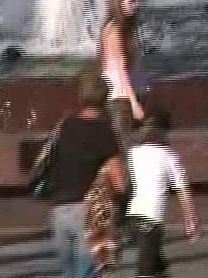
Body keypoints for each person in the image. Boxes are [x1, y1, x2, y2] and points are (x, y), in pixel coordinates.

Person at [47, 69, 127, 278]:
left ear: (80, 96)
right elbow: (120, 183)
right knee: (87, 272)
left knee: (69, 273)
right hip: (90, 212)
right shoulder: (104, 131)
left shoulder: (63, 126)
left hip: (59, 210)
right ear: (105, 99)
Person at [127, 111, 199, 278]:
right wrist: (191, 219)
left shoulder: (133, 153)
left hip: (132, 217)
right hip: (151, 218)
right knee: (146, 270)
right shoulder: (169, 156)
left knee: (158, 265)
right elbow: (182, 189)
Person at [99, 0, 147, 152]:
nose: (136, 4)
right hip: (121, 98)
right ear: (118, 3)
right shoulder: (114, 30)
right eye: (131, 1)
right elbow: (120, 69)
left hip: (127, 94)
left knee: (131, 147)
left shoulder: (124, 28)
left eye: (136, 0)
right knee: (127, 148)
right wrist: (134, 103)